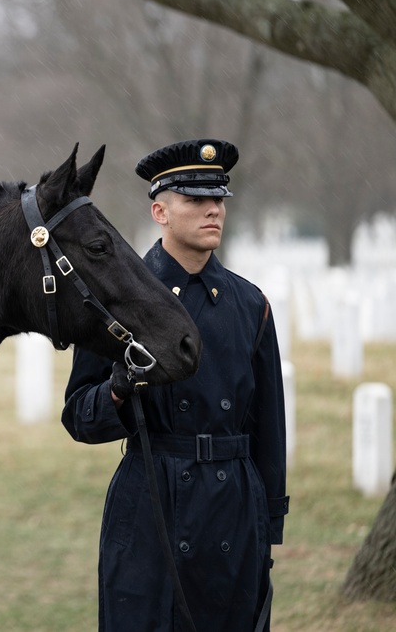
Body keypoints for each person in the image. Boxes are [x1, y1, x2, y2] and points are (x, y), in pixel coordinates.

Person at [61, 139, 289, 632]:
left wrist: (267, 529)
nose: (213, 210)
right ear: (160, 210)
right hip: (151, 508)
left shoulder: (252, 305)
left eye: (219, 199)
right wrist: (120, 388)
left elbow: (268, 429)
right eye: (196, 199)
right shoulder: (116, 296)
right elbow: (79, 416)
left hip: (233, 510)